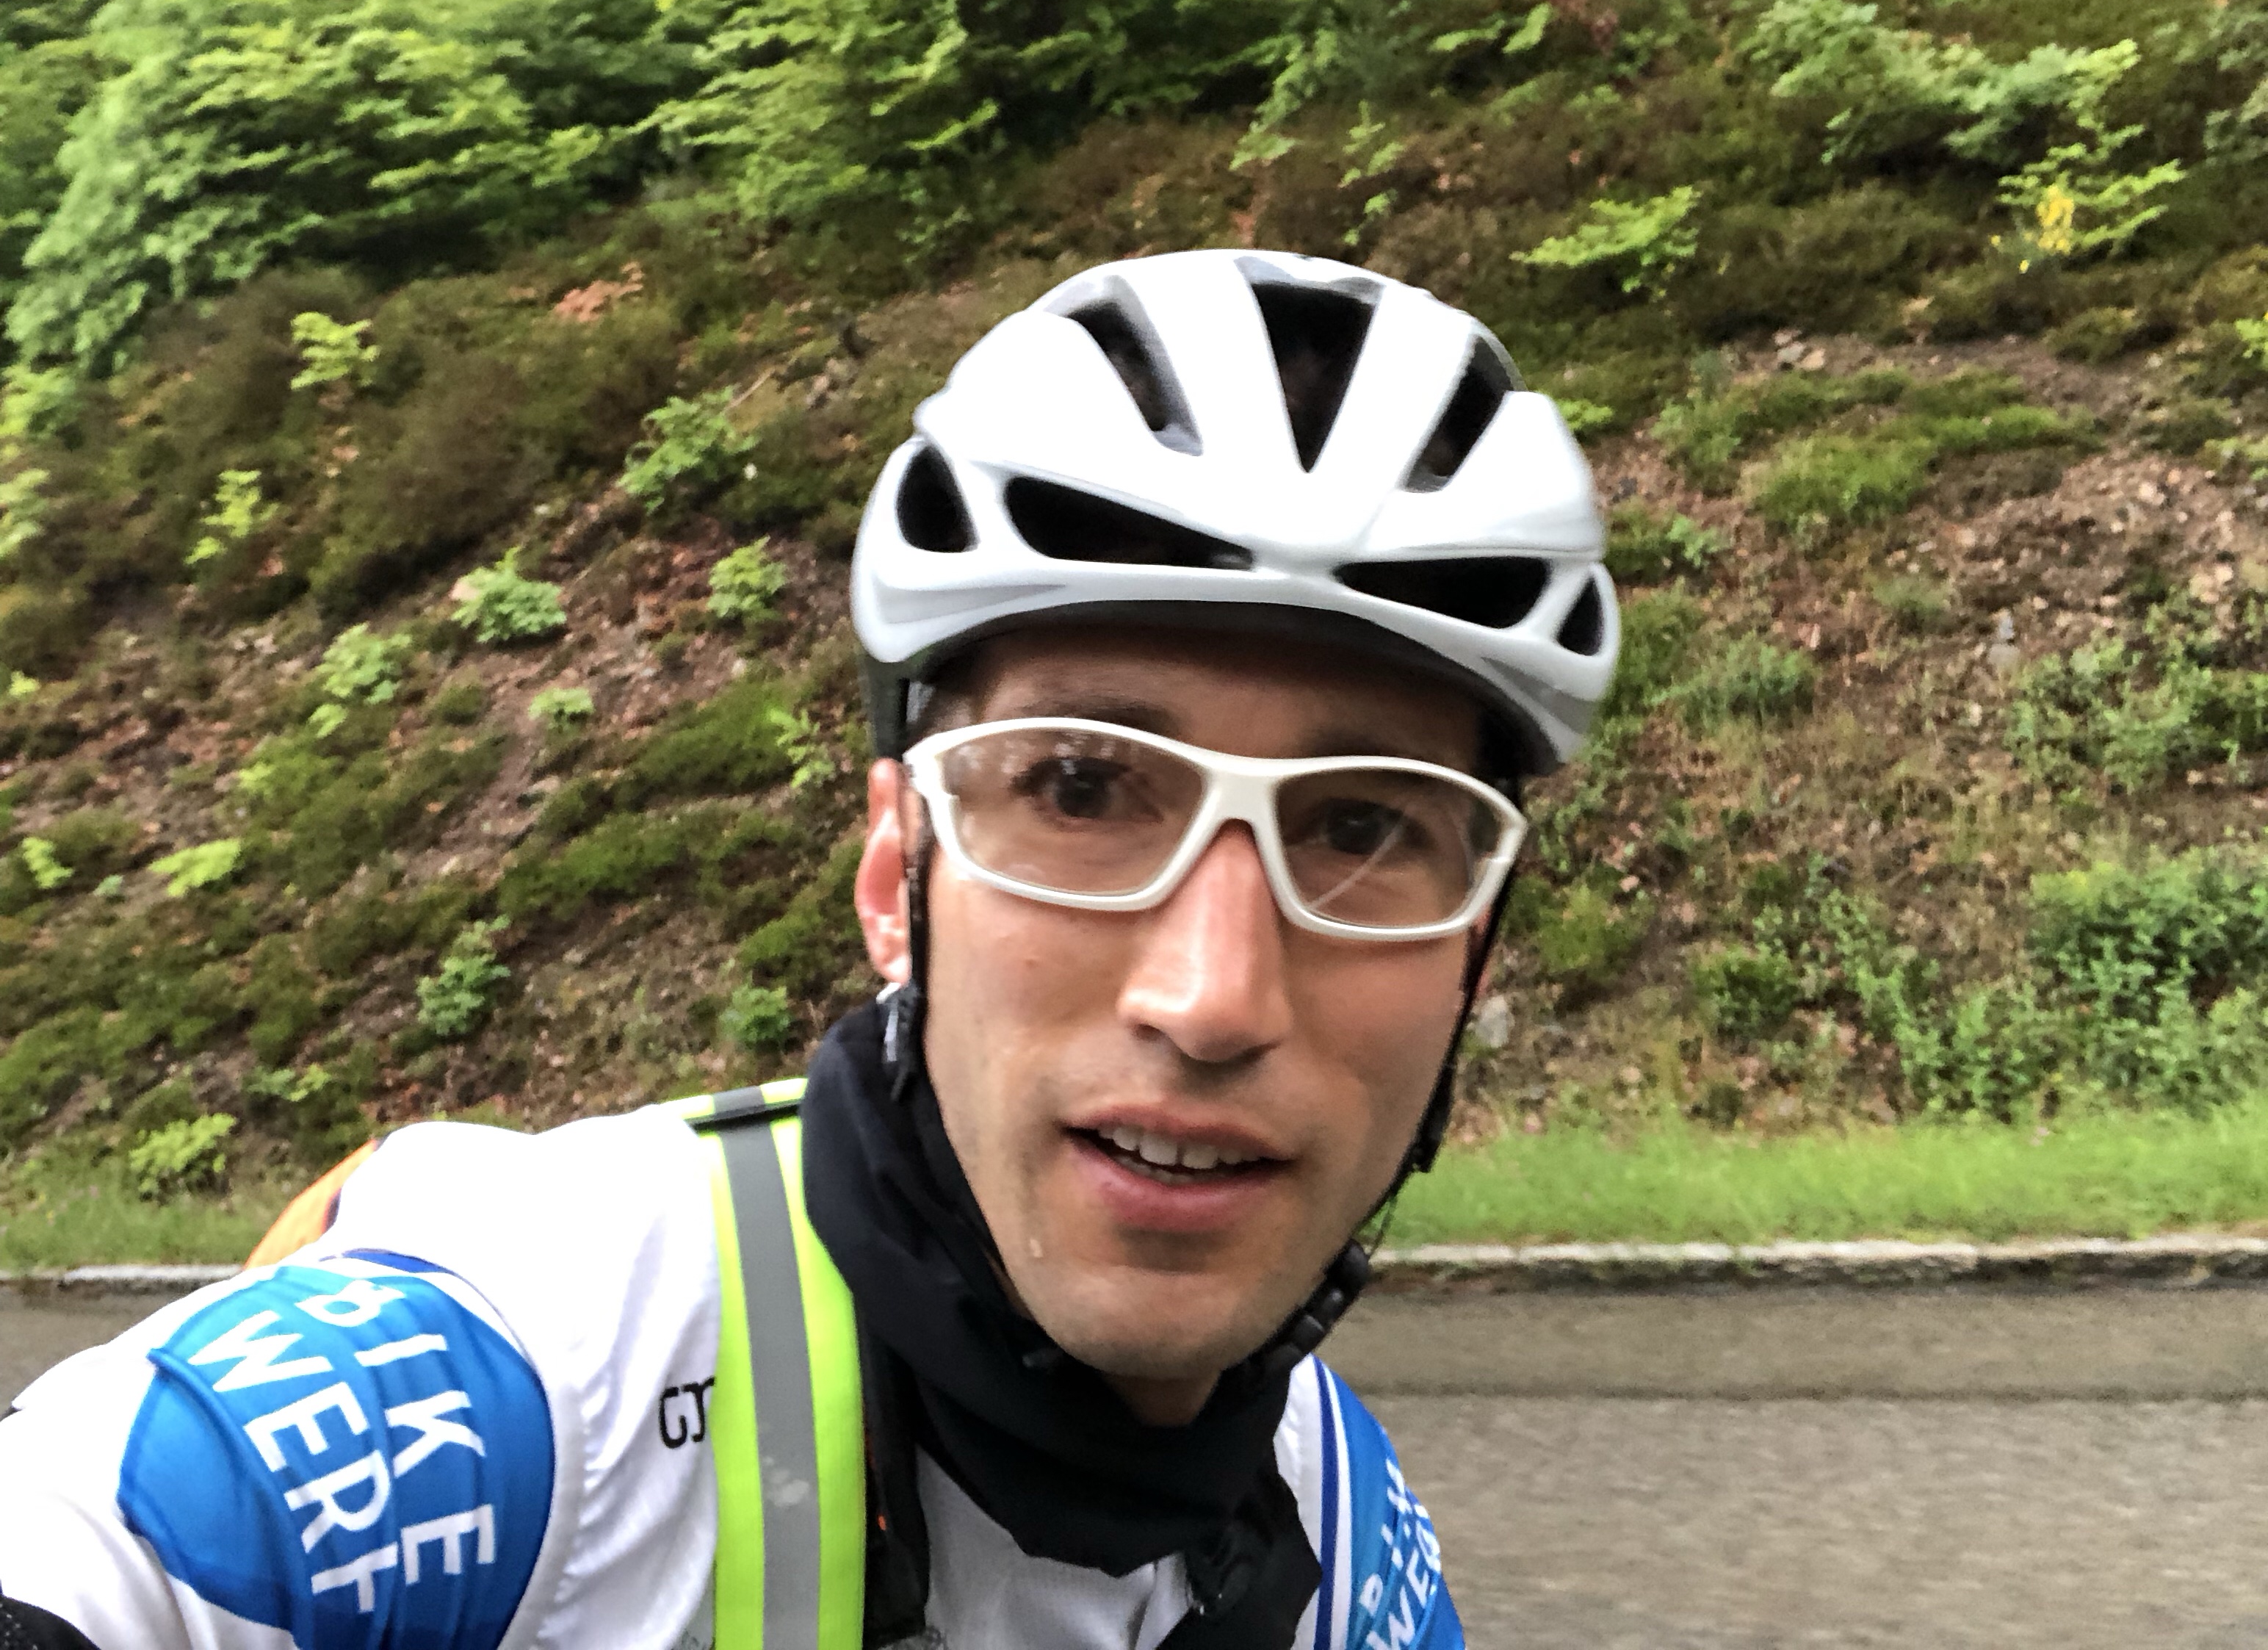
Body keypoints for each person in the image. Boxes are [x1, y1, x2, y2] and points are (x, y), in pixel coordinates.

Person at [0, 248, 1617, 1650]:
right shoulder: (525, 1384)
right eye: (1078, 788)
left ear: (1475, 953)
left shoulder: (1342, 1516)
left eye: (1360, 828)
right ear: (895, 874)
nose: (1209, 997)